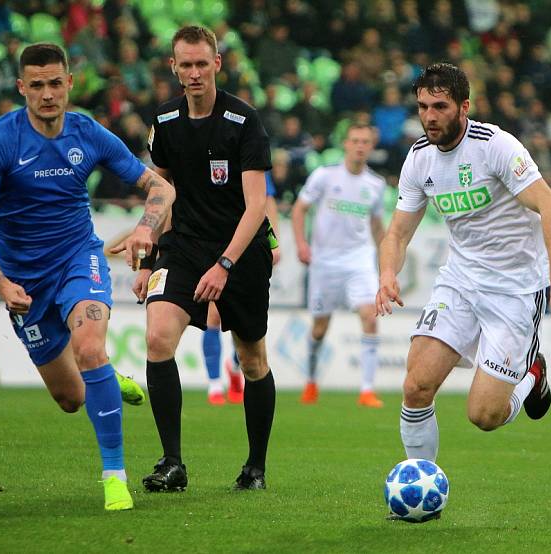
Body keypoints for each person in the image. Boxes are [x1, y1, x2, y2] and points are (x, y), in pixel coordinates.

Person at [0, 43, 171, 511]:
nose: (48, 94)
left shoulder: (88, 133)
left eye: (56, 83)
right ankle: (106, 379)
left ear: (70, 83)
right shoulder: (1, 141)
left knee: (90, 346)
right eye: (37, 85)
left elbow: (160, 186)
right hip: (22, 283)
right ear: (22, 88)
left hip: (79, 258)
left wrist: (144, 227)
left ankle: (114, 476)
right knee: (71, 398)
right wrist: (1, 283)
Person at [376, 63, 551, 465]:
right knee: (416, 386)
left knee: (483, 415)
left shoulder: (495, 146)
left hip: (515, 289)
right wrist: (386, 274)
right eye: (422, 107)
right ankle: (421, 482)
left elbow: (550, 207)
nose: (430, 117)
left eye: (440, 106)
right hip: (461, 283)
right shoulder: (418, 159)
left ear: (464, 107)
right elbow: (397, 233)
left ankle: (532, 372)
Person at [126, 25, 275, 492]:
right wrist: (149, 259)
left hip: (240, 251)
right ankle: (172, 463)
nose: (193, 73)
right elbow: (160, 194)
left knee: (252, 361)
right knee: (157, 338)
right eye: (184, 64)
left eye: (200, 63)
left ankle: (254, 467)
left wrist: (225, 265)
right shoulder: (164, 122)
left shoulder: (244, 120)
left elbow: (257, 207)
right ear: (173, 67)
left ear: (216, 64)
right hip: (184, 247)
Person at [291, 123, 387, 407]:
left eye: (365, 142)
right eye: (355, 140)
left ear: (371, 147)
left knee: (369, 316)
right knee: (320, 328)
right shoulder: (324, 175)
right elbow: (299, 209)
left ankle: (367, 390)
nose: (360, 146)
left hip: (359, 260)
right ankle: (310, 382)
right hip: (325, 262)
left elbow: (377, 226)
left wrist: (388, 263)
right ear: (345, 144)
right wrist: (301, 244)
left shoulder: (376, 185)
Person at [202, 171, 281, 406]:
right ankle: (215, 384)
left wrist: (274, 241)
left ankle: (235, 367)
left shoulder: (250, 152)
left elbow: (267, 200)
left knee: (244, 319)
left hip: (251, 243)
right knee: (213, 312)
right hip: (216, 239)